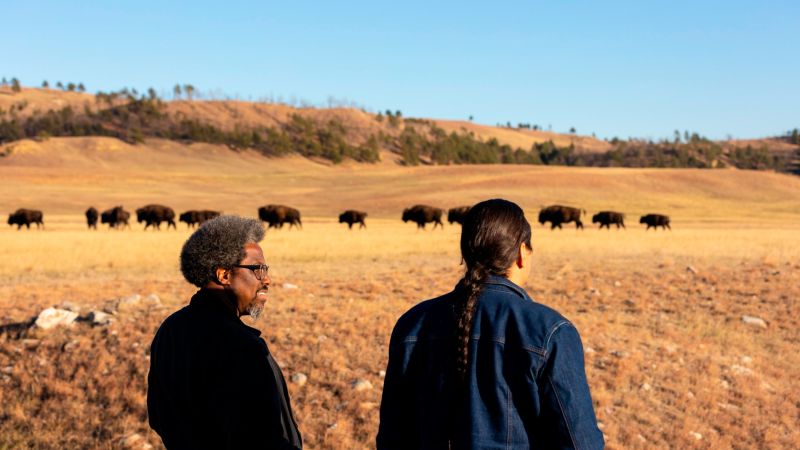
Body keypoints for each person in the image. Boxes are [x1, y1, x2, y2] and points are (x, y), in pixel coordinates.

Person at [377, 199, 604, 449]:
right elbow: (580, 444)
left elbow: (392, 437)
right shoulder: (551, 331)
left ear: (465, 255)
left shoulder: (412, 324)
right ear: (521, 253)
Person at [147, 215, 302, 450]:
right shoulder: (240, 345)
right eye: (258, 269)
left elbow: (158, 416)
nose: (267, 279)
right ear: (225, 276)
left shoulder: (170, 330)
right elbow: (261, 438)